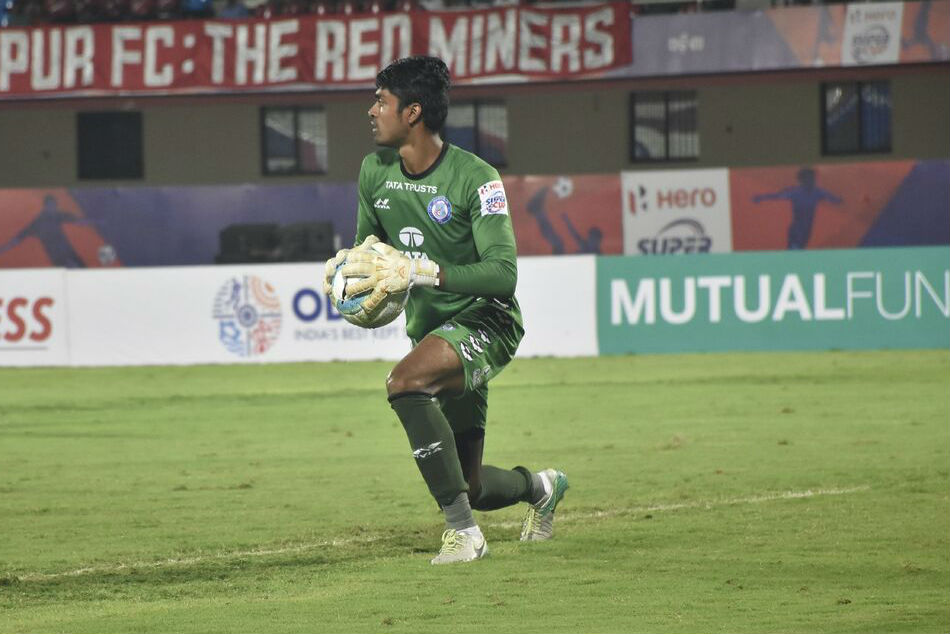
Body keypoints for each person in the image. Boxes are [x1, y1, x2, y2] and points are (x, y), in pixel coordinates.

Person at [323, 56, 568, 565]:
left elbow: (504, 274)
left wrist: (423, 272)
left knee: (404, 383)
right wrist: (351, 276)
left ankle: (464, 535)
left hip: (488, 320)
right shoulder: (375, 171)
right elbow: (370, 249)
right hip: (433, 332)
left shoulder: (476, 178)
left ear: (412, 112)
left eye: (381, 101)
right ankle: (541, 487)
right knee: (471, 483)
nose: (372, 111)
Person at [752, 167, 843, 250]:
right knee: (794, 252)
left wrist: (839, 200)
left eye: (813, 178)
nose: (812, 180)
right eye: (809, 178)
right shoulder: (795, 192)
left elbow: (833, 199)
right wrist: (761, 197)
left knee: (800, 251)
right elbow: (776, 196)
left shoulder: (818, 192)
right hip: (796, 231)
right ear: (802, 180)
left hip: (807, 231)